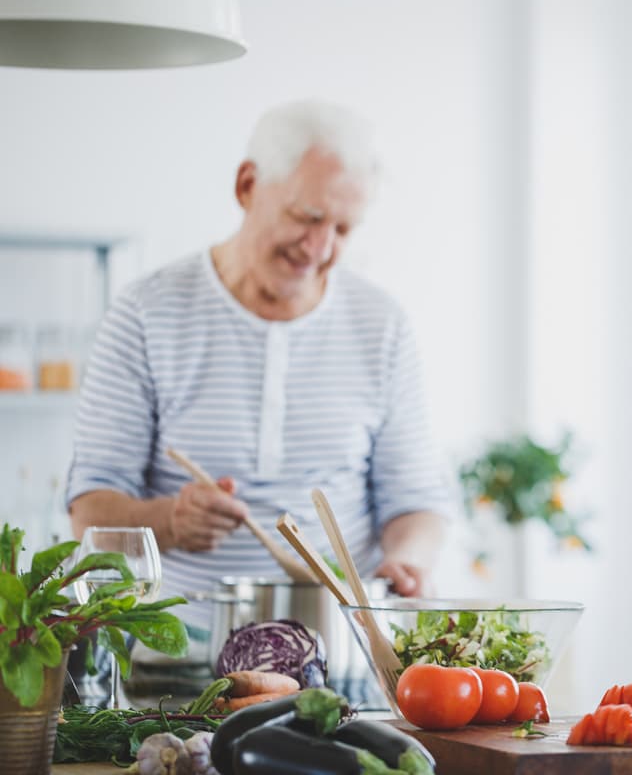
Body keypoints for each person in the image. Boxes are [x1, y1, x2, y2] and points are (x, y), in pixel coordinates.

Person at [67, 100, 452, 631]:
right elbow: (88, 511)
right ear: (247, 185)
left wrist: (409, 561)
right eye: (308, 217)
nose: (320, 249)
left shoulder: (381, 324)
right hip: (173, 656)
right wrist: (170, 522)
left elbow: (415, 501)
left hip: (341, 650)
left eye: (343, 229)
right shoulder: (145, 313)